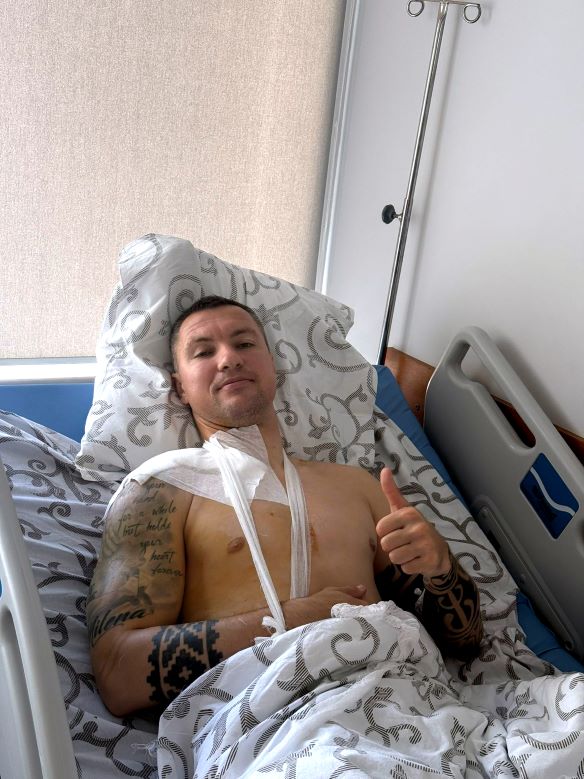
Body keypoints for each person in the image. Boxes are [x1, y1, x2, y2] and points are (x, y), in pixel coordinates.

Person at [87, 296, 483, 717]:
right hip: (277, 728)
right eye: (203, 352)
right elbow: (118, 671)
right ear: (179, 385)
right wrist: (290, 620)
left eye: (244, 344)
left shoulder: (358, 486)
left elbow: (465, 643)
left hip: (414, 707)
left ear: (273, 367)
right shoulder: (161, 488)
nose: (229, 359)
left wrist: (442, 570)